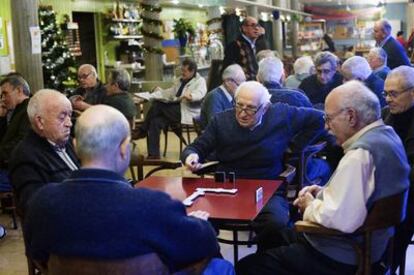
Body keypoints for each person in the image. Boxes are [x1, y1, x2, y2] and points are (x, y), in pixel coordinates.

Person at [23, 105, 225, 273]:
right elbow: (204, 244)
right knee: (221, 267)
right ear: (124, 149)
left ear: (75, 147)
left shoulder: (42, 203)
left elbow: (38, 257)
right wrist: (198, 223)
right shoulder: (153, 205)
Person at [236, 80, 410, 275]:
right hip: (372, 246)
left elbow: (342, 220)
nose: (326, 127)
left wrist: (309, 205)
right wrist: (324, 193)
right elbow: (359, 196)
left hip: (342, 255)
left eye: (329, 119)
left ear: (351, 116)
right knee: (274, 235)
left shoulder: (360, 155)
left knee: (248, 266)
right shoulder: (387, 136)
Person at [182, 81, 326, 233]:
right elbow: (196, 147)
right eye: (239, 105)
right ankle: (214, 256)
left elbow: (319, 118)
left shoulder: (282, 114)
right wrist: (192, 156)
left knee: (276, 223)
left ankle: (263, 257)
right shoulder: (221, 121)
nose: (243, 113)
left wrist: (294, 146)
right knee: (196, 221)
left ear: (265, 107)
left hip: (267, 187)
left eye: (250, 108)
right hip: (228, 187)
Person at [9, 89, 79, 215]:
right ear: (40, 122)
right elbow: (35, 207)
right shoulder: (25, 156)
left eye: (70, 115)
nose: (69, 123)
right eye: (62, 117)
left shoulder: (67, 143)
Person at [134, 58, 207, 159]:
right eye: (182, 70)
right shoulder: (179, 80)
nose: (182, 73)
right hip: (173, 110)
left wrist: (191, 96)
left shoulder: (200, 81)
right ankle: (154, 154)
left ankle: (142, 130)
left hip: (186, 111)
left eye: (185, 71)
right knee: (155, 122)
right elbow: (169, 93)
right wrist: (149, 96)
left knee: (158, 105)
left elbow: (200, 93)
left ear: (192, 71)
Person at [382, 66, 414, 273]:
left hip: (408, 188)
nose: (387, 99)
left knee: (403, 211)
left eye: (393, 94)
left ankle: (386, 265)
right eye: (385, 94)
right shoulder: (385, 115)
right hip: (387, 184)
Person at [0, 75, 31, 192]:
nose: (2, 99)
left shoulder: (29, 109)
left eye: (5, 94)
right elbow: (4, 141)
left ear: (19, 90)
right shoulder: (15, 110)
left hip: (20, 171)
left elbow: (22, 142)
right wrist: (2, 118)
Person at [199, 64, 245, 130]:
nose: (242, 89)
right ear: (228, 82)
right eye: (239, 85)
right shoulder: (214, 97)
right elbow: (217, 127)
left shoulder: (232, 95)